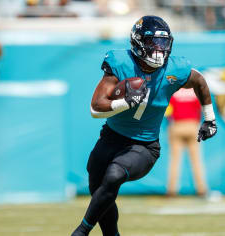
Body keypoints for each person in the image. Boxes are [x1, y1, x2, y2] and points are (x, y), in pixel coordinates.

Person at [71, 15, 217, 236]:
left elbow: (199, 81)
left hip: (144, 146)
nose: (159, 49)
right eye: (152, 43)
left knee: (114, 175)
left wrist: (209, 118)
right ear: (138, 42)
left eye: (163, 43)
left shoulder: (176, 68)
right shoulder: (121, 62)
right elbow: (96, 107)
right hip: (111, 137)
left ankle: (81, 231)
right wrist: (124, 102)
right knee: (97, 184)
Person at [166, 88, 208, 197]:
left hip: (177, 125)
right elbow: (202, 109)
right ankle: (201, 190)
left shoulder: (174, 91)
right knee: (196, 160)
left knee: (175, 161)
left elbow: (168, 111)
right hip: (193, 125)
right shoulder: (195, 92)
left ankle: (171, 190)